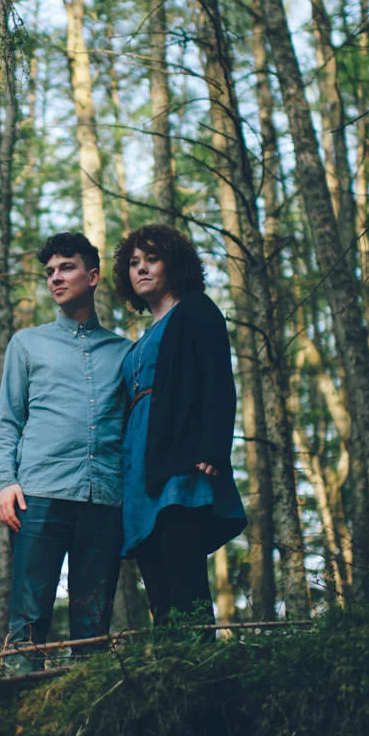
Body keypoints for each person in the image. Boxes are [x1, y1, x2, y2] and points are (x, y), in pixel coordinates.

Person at [0, 232, 130, 669]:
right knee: (28, 623)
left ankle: (86, 720)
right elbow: (8, 421)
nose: (55, 278)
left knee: (93, 626)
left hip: (104, 499)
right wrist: (4, 481)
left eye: (65, 268)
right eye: (49, 271)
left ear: (92, 276)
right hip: (38, 494)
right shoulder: (27, 344)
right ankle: (18, 718)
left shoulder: (126, 352)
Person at [113, 223, 246, 628]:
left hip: (181, 459)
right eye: (134, 263)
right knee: (156, 581)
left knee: (184, 570)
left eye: (152, 259)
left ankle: (201, 669)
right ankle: (169, 672)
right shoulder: (136, 342)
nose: (142, 269)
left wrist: (212, 448)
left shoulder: (195, 309)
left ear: (174, 264)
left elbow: (218, 379)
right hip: (139, 468)